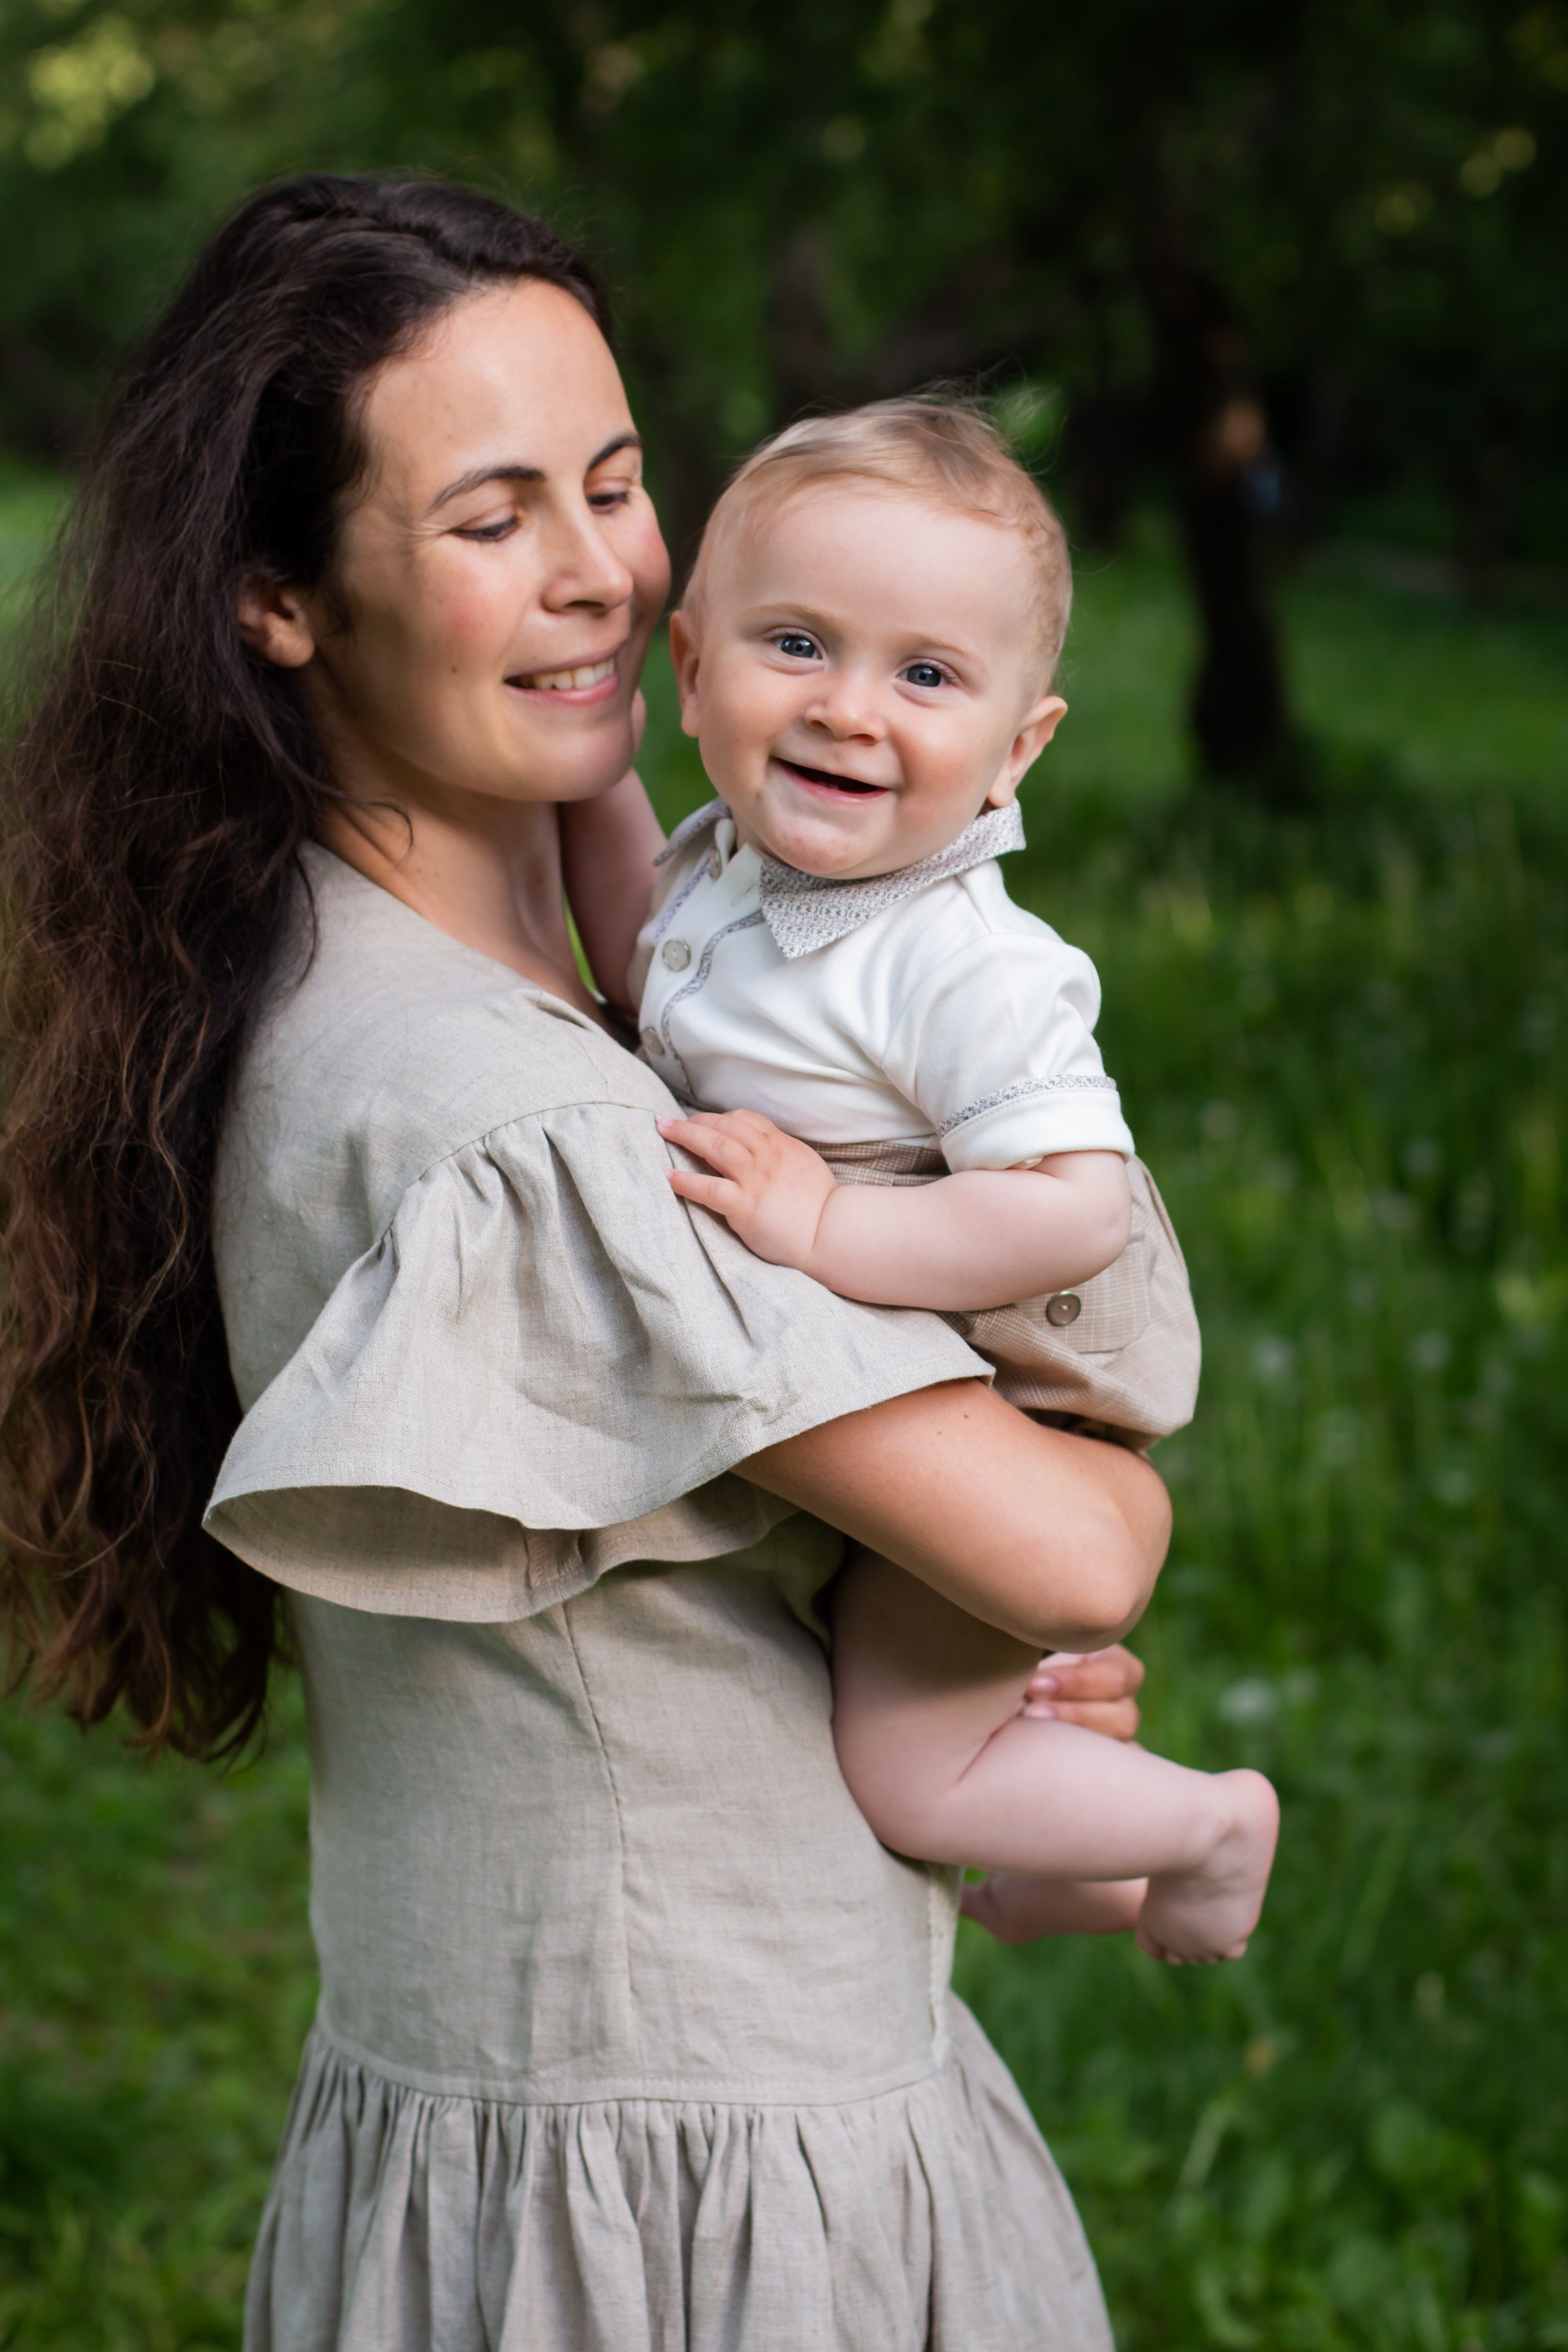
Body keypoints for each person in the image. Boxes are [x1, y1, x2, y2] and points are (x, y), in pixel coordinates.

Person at [0, 176, 1165, 2350]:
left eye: (620, 487)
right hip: (682, 2197)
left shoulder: (506, 945)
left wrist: (965, 1705)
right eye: (490, 517)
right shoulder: (511, 1123)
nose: (603, 575)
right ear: (277, 595)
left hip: (627, 2108)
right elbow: (1085, 1541)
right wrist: (1096, 1511)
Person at [572, 401, 1278, 1964]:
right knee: (955, 1706)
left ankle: (1207, 1826)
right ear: (689, 670)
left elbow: (1070, 1206)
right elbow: (638, 934)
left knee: (908, 1763)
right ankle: (1072, 1864)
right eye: (800, 645)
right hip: (910, 1340)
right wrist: (569, 771)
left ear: (1016, 752)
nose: (848, 712)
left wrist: (828, 1222)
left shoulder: (960, 967)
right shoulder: (735, 861)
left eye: (928, 676)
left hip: (1019, 1380)